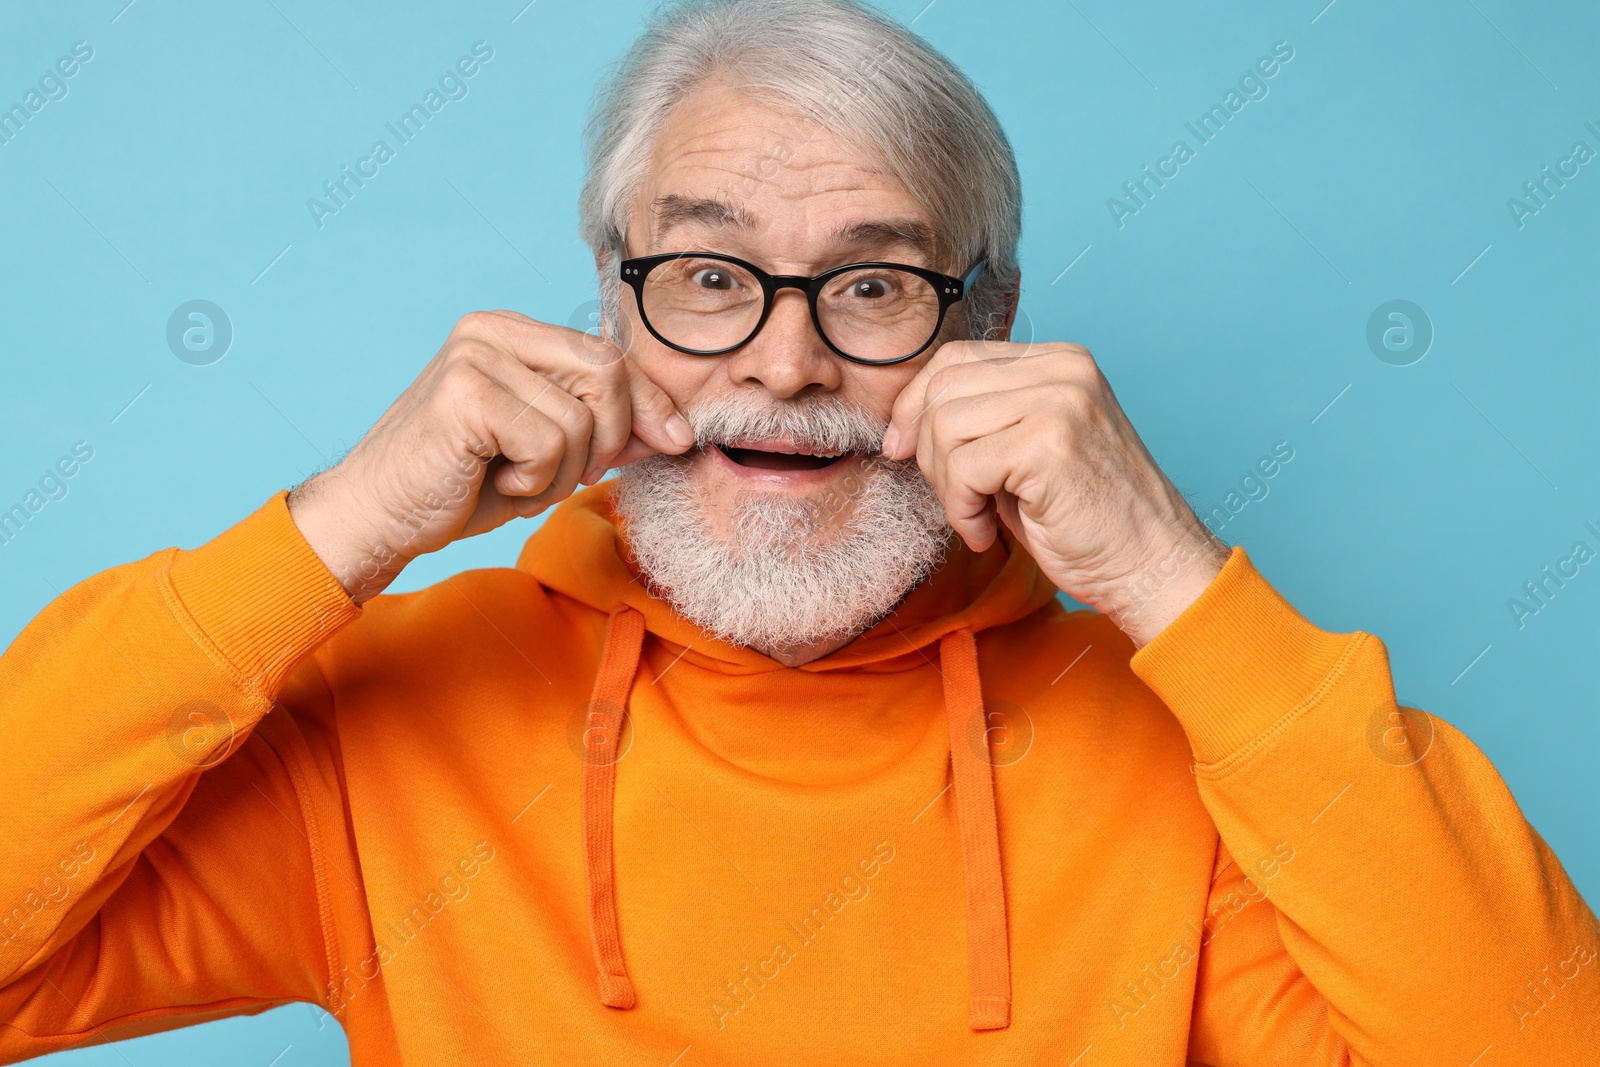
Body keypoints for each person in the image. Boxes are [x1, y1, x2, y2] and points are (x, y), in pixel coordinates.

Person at [2, 0, 1596, 1062]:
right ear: (610, 301)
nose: (785, 360)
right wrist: (339, 528)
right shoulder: (396, 724)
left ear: (996, 326)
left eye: (876, 283)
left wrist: (1176, 583)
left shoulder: (1190, 759)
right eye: (707, 276)